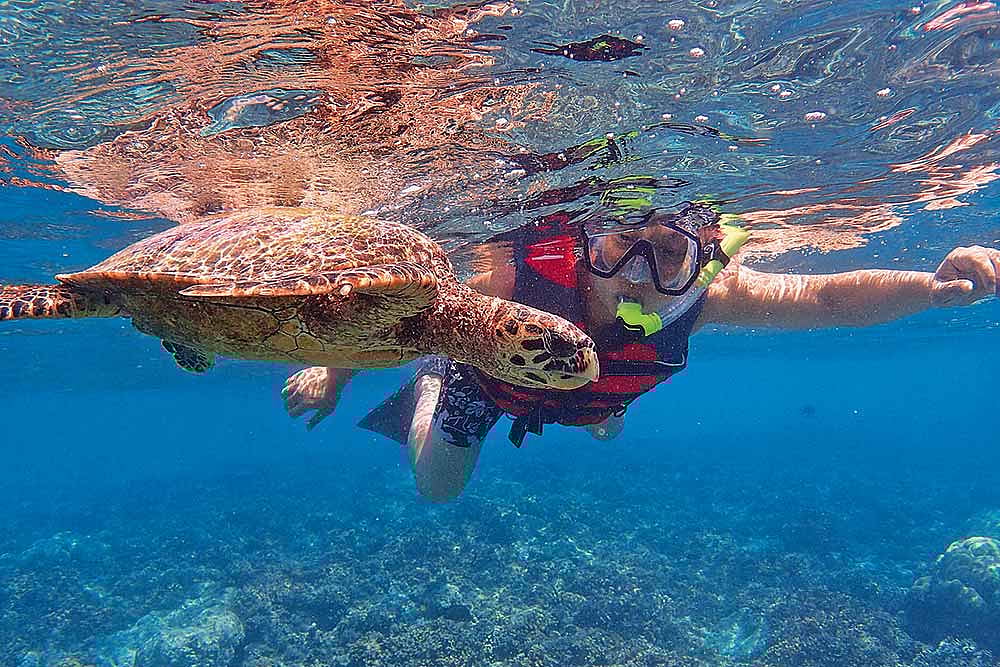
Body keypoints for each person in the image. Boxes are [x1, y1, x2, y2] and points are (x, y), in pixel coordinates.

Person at [282, 202, 1000, 501]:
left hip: (601, 390)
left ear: (703, 263)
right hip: (489, 380)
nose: (638, 278)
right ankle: (437, 385)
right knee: (438, 489)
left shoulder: (706, 298)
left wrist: (929, 288)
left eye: (668, 257)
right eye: (624, 246)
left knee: (606, 417)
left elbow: (828, 298)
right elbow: (407, 304)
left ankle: (601, 409)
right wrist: (334, 371)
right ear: (591, 239)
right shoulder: (516, 270)